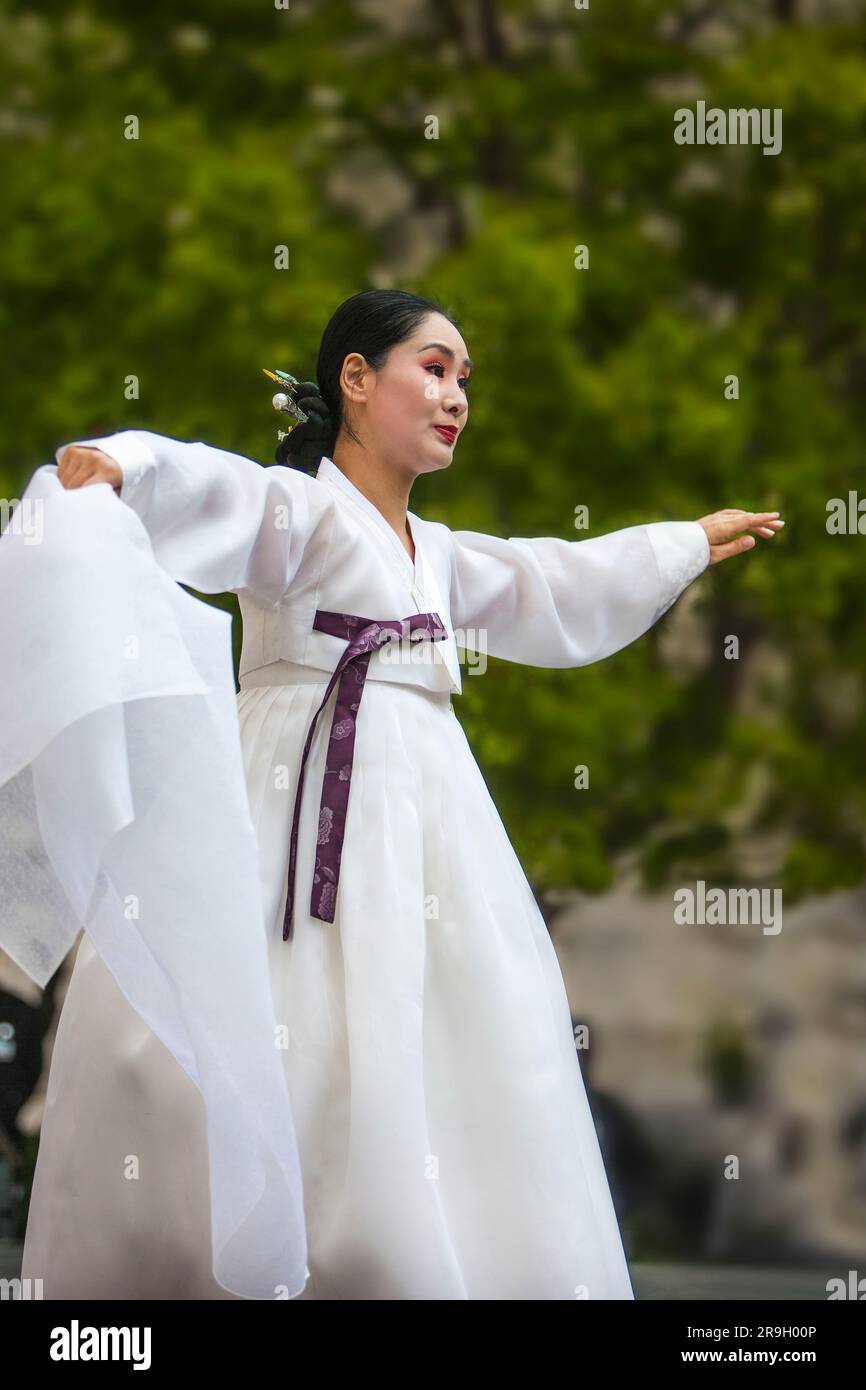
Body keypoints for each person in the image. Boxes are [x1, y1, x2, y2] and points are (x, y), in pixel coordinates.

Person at [14, 288, 784, 1300]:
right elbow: (215, 490)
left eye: (464, 378)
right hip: (291, 799)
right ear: (355, 379)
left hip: (425, 806)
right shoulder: (301, 512)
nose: (455, 392)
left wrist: (679, 543)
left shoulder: (440, 553)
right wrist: (129, 465)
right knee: (267, 1022)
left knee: (450, 1023)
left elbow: (551, 585)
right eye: (433, 365)